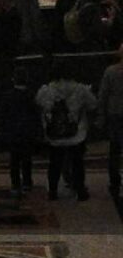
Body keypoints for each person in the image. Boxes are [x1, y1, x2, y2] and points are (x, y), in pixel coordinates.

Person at [36, 61, 96, 201]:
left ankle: (53, 191)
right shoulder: (80, 89)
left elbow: (38, 102)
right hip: (76, 134)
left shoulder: (46, 90)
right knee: (77, 163)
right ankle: (80, 190)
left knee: (54, 163)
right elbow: (93, 104)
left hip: (54, 135)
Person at [99, 47, 123, 198]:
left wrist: (101, 115)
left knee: (115, 149)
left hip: (115, 112)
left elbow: (104, 94)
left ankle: (114, 180)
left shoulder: (111, 71)